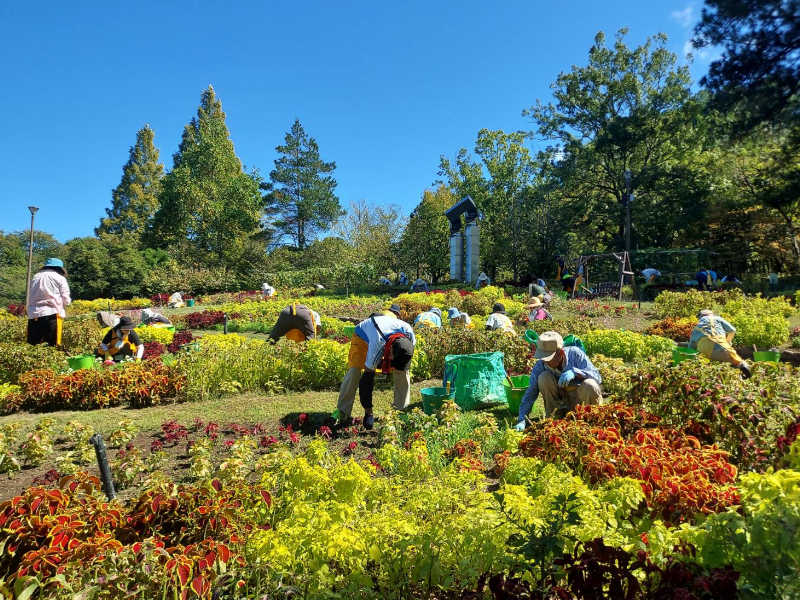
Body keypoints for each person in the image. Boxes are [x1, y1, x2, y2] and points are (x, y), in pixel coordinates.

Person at [336, 304, 415, 430]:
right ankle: (342, 412)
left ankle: (399, 413)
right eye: (390, 358)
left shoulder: (409, 337)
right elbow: (366, 383)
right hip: (363, 336)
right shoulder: (377, 346)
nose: (388, 360)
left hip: (385, 333)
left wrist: (397, 364)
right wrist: (369, 412)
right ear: (389, 351)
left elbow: (402, 361)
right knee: (355, 370)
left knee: (402, 372)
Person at [515, 331, 602, 429]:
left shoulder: (575, 354)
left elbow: (597, 377)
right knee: (544, 378)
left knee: (590, 384)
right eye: (543, 358)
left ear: (560, 352)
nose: (545, 362)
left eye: (548, 358)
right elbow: (531, 393)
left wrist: (575, 372)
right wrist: (522, 419)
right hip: (560, 403)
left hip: (580, 402)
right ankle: (555, 418)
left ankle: (591, 420)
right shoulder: (541, 365)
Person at [689, 309, 751, 378]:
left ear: (700, 317)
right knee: (740, 364)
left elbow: (691, 348)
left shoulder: (695, 328)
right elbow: (732, 330)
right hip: (720, 345)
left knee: (711, 370)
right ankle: (746, 381)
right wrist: (728, 341)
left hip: (704, 351)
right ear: (711, 314)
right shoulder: (717, 318)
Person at [26, 257, 71, 347]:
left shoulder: (36, 277)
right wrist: (67, 303)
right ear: (59, 268)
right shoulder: (59, 278)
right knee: (53, 345)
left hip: (33, 315)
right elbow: (66, 299)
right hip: (52, 314)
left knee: (34, 345)